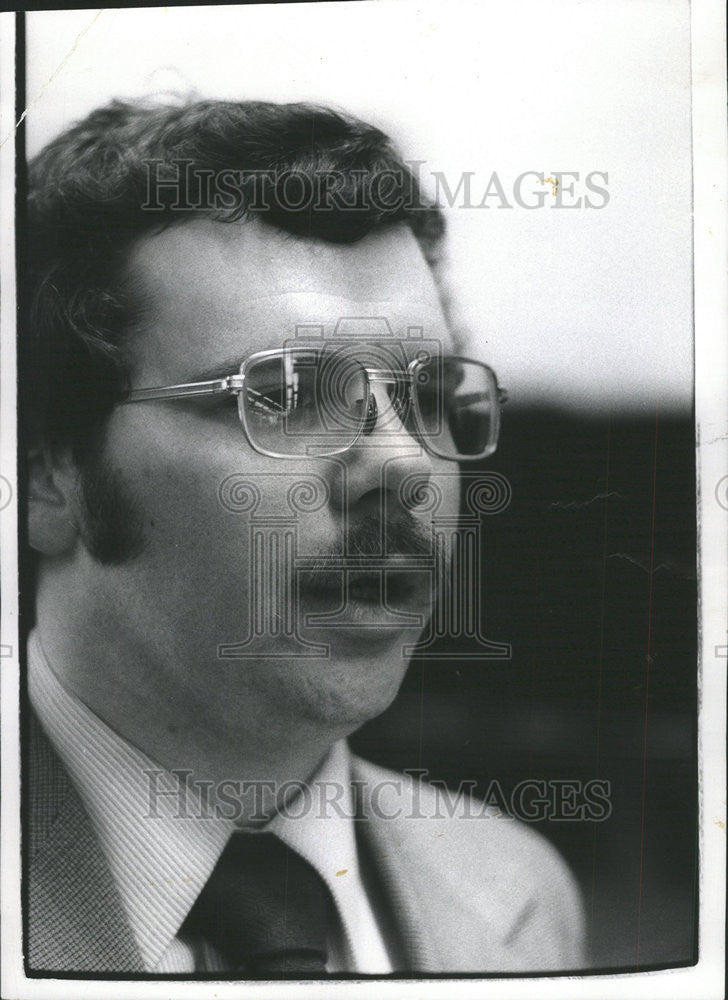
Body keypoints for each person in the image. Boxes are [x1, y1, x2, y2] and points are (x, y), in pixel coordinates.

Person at [22, 98, 585, 976]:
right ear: (46, 472)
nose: (401, 464)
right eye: (285, 395)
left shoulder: (518, 892)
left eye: (431, 396)